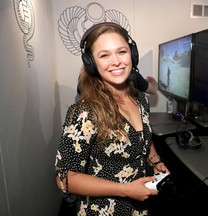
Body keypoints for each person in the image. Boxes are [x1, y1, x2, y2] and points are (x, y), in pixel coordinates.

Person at [55, 22, 169, 216]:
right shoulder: (84, 112)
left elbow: (142, 136)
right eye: (104, 55)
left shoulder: (140, 98)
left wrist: (155, 161)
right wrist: (126, 190)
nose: (116, 61)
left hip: (139, 205)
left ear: (132, 55)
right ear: (92, 63)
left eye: (121, 52)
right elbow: (65, 179)